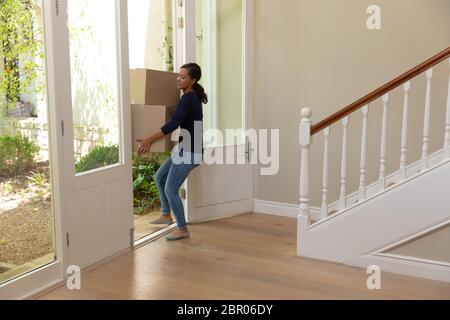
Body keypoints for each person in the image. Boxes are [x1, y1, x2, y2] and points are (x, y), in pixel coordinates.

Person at [136, 63, 207, 241]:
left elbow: (173, 124)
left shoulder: (189, 98)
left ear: (193, 80)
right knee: (160, 177)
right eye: (178, 75)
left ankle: (182, 229)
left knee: (171, 188)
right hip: (185, 149)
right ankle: (166, 215)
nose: (178, 79)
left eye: (183, 77)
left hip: (190, 152)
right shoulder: (190, 97)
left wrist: (149, 139)